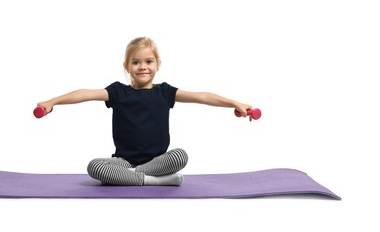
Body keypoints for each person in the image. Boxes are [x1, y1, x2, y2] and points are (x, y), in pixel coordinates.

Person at [37, 37, 253, 186]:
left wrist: (235, 103)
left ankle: (126, 178)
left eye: (148, 61)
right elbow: (85, 93)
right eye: (136, 62)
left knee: (180, 156)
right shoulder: (118, 92)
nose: (143, 67)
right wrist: (52, 102)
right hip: (124, 162)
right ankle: (154, 181)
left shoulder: (165, 93)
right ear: (127, 66)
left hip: (159, 161)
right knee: (95, 167)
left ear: (157, 64)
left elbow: (203, 96)